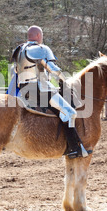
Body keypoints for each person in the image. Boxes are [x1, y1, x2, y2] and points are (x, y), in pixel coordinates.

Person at [9, 25, 89, 158]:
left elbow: (16, 71)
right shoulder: (41, 49)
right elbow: (53, 69)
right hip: (41, 89)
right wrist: (64, 80)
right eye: (42, 36)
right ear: (39, 36)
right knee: (70, 112)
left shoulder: (19, 50)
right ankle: (74, 148)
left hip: (24, 90)